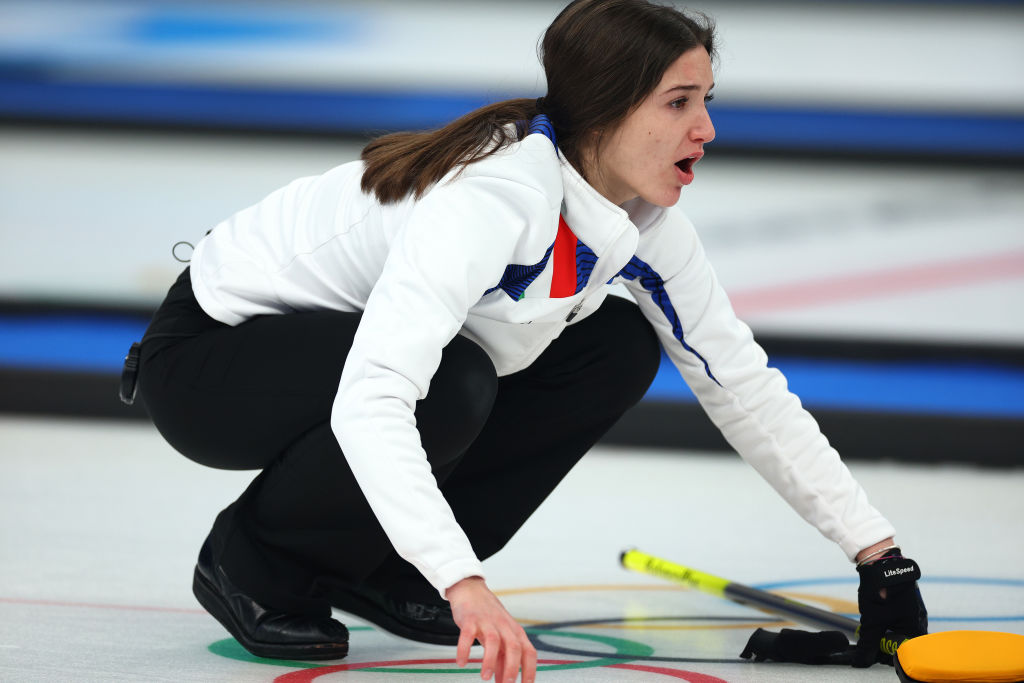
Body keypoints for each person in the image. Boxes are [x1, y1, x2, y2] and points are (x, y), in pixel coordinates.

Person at [129, 1, 927, 681]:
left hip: (321, 364)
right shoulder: (493, 198)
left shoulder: (649, 229)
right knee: (452, 381)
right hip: (207, 362)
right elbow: (375, 397)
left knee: (614, 345)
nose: (707, 128)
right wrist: (466, 582)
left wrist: (877, 554)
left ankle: (390, 569)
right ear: (610, 109)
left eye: (707, 100)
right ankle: (253, 560)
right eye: (679, 102)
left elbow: (742, 385)